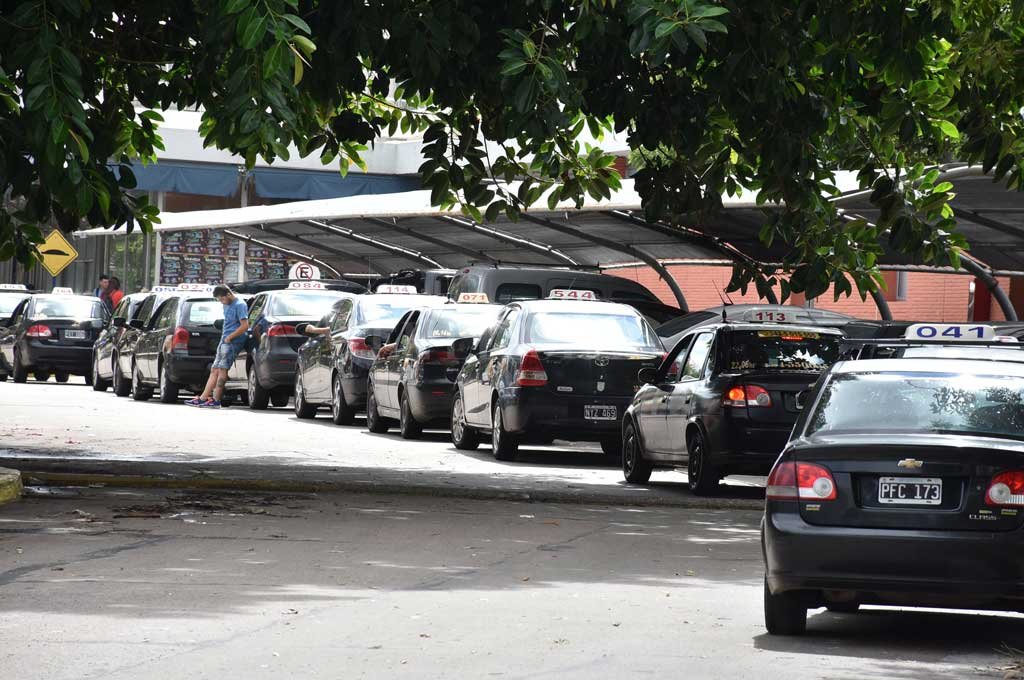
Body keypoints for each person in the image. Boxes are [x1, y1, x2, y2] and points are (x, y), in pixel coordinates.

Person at [187, 285, 249, 408]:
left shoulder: (240, 305)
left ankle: (216, 400)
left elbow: (245, 326)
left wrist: (230, 337)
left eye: (222, 299)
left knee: (222, 369)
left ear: (228, 294)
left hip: (232, 342)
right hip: (224, 339)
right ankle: (203, 398)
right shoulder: (226, 304)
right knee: (214, 369)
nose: (221, 302)